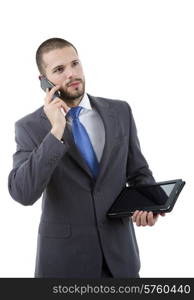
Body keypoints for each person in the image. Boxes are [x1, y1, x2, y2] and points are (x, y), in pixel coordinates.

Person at [8, 38, 165, 278]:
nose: (72, 74)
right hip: (65, 266)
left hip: (120, 261)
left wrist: (148, 203)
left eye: (75, 64)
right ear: (44, 80)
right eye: (59, 70)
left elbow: (138, 173)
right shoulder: (29, 127)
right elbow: (23, 193)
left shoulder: (120, 111)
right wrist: (56, 131)